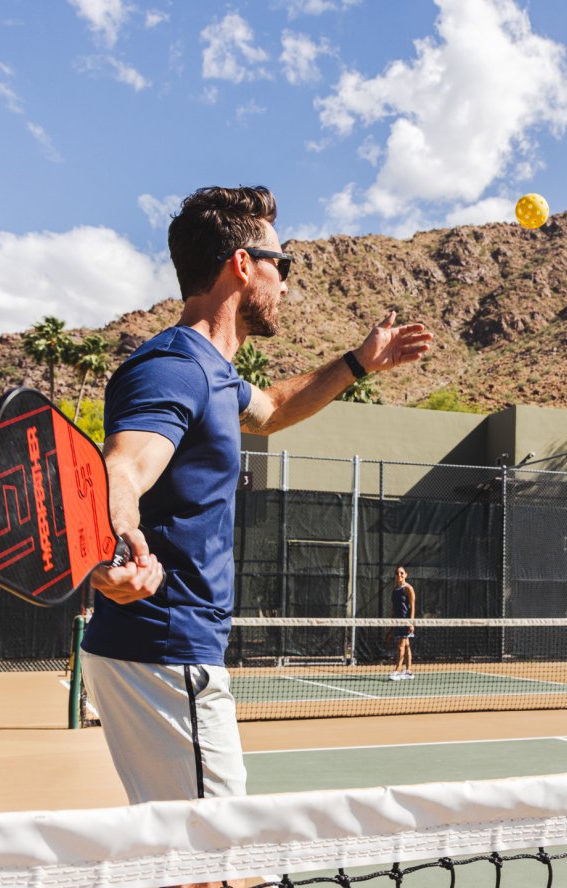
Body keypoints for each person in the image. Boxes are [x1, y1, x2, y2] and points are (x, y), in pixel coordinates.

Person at [80, 185, 433, 888]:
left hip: (157, 653)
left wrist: (360, 363)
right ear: (244, 265)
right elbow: (123, 467)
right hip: (166, 647)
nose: (287, 279)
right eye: (284, 262)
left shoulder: (215, 373)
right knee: (222, 866)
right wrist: (113, 548)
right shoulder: (175, 367)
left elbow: (270, 410)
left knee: (190, 862)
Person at [389, 565, 416, 680]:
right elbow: (394, 608)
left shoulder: (408, 588)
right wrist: (391, 623)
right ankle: (409, 671)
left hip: (406, 621)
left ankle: (397, 671)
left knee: (401, 646)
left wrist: (411, 622)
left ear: (406, 575)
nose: (399, 575)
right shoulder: (395, 590)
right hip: (397, 621)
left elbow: (413, 606)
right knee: (406, 645)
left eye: (401, 573)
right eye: (397, 573)